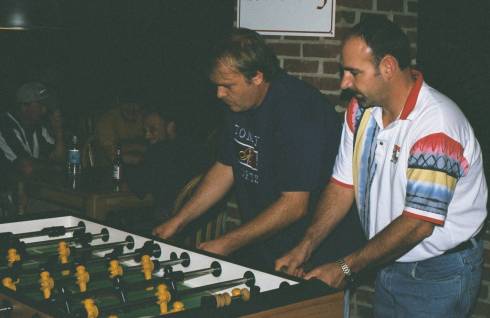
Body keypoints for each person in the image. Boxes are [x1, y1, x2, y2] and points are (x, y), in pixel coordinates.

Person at [275, 16, 487, 317]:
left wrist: (345, 268)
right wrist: (306, 244)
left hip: (437, 272)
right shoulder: (360, 112)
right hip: (387, 258)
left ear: (387, 67)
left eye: (353, 72)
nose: (344, 83)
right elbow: (342, 185)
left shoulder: (436, 126)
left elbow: (417, 224)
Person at [153, 28, 365, 270]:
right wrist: (179, 221)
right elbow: (226, 166)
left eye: (227, 86)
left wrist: (227, 243)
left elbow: (295, 204)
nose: (219, 94)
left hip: (315, 252)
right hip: (268, 243)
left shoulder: (298, 110)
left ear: (257, 77)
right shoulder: (238, 103)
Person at [123, 107, 212, 221]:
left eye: (153, 129)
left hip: (172, 223)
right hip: (202, 223)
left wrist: (128, 164)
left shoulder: (159, 151)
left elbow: (139, 187)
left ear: (170, 127)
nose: (147, 136)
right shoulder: (200, 148)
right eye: (145, 131)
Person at [0, 81, 64, 177]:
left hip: (26, 187)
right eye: (41, 105)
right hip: (6, 189)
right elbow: (27, 167)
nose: (45, 110)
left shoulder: (38, 128)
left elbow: (60, 158)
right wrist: (53, 166)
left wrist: (59, 132)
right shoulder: (5, 125)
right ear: (24, 107)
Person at [94, 89, 146, 166]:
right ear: (119, 104)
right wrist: (138, 150)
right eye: (127, 104)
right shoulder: (107, 120)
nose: (132, 108)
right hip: (108, 170)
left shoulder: (143, 117)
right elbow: (111, 155)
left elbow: (153, 147)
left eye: (135, 104)